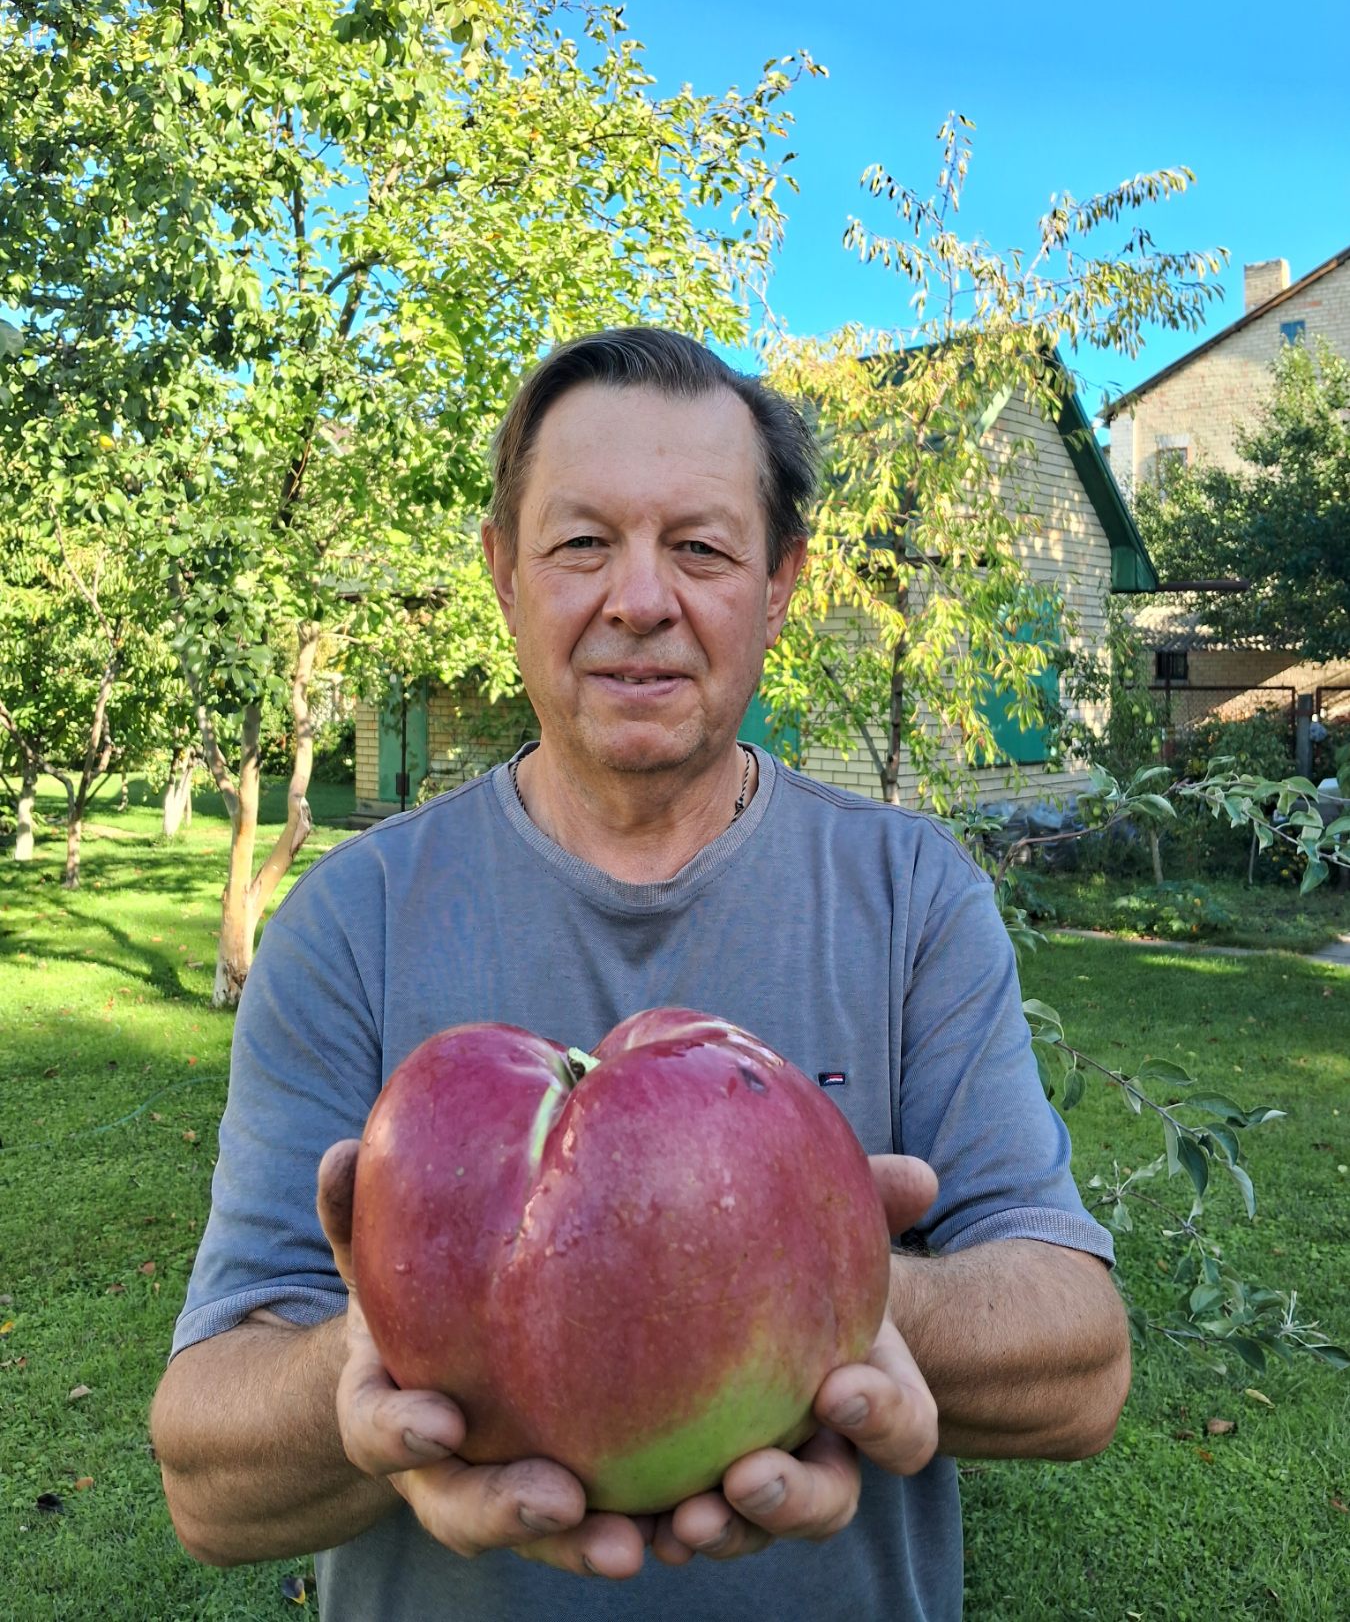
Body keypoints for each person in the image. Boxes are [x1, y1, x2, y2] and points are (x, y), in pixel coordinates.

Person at [150, 327, 1130, 1620]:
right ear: (503, 574)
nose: (640, 599)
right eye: (581, 543)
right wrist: (390, 1358)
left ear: (777, 585)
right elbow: (206, 1480)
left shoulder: (912, 896)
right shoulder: (348, 924)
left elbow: (1079, 1362)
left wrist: (811, 1279)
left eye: (702, 548)